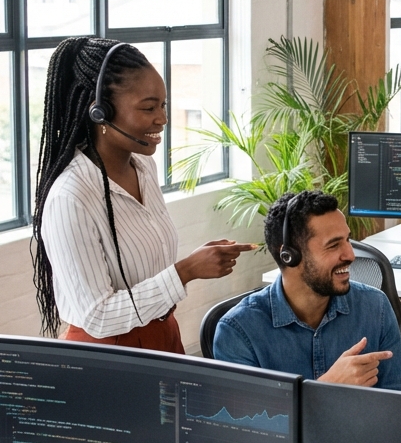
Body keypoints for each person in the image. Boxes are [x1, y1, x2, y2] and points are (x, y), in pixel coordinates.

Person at [34, 38, 253, 352]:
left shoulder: (144, 167)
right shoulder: (71, 197)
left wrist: (196, 261)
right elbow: (97, 316)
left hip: (164, 334)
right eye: (149, 108)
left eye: (162, 105)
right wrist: (186, 270)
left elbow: (144, 272)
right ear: (99, 113)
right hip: (109, 353)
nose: (162, 118)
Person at [213, 190, 401, 390]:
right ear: (289, 256)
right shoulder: (238, 331)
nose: (350, 255)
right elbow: (249, 419)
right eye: (333, 245)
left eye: (347, 240)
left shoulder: (374, 306)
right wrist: (326, 389)